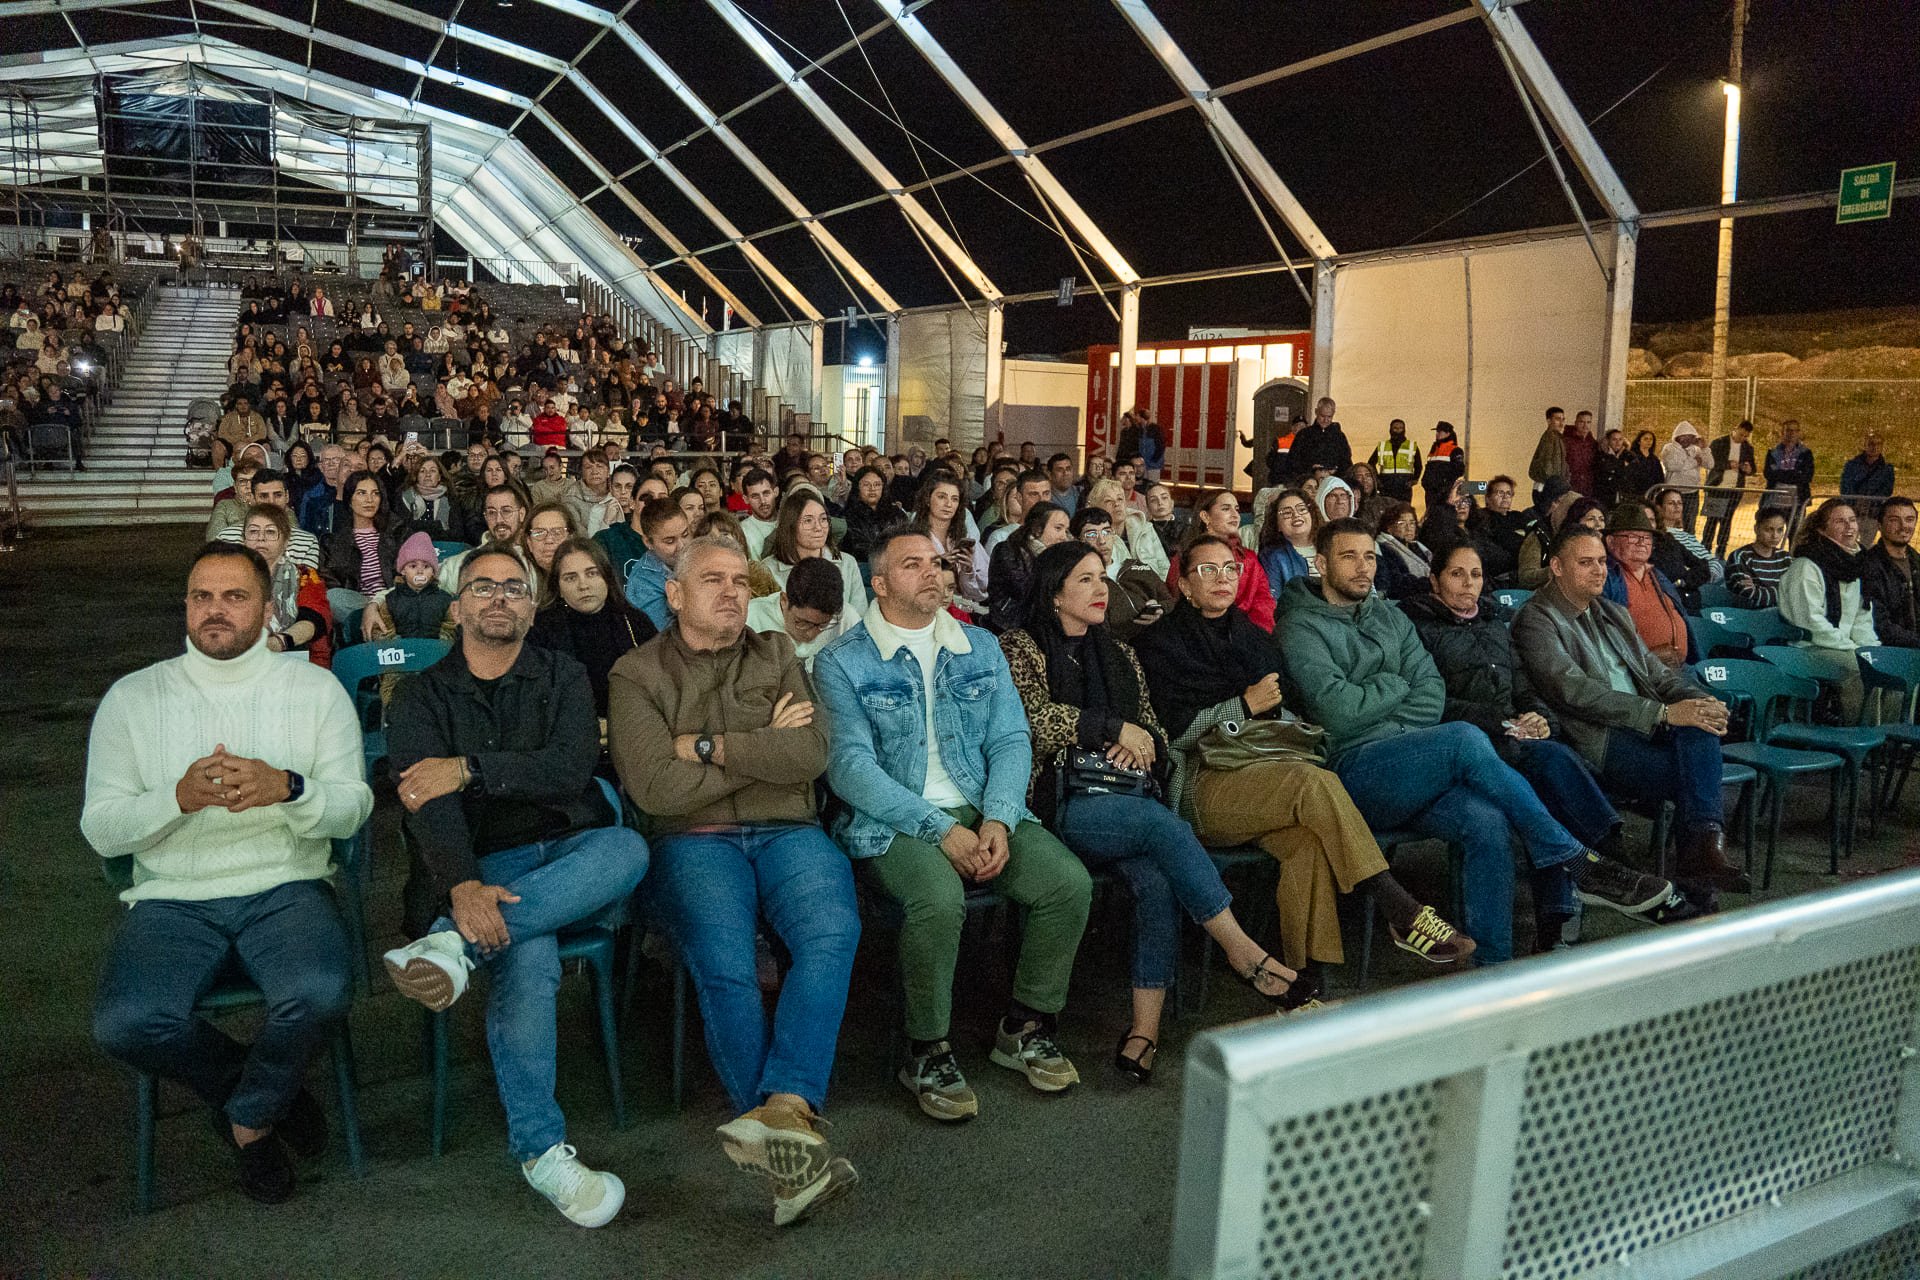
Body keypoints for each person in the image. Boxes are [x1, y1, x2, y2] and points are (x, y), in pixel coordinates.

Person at [83, 543, 373, 1204]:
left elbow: (353, 808)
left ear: (268, 607)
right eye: (202, 597)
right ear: (186, 605)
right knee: (124, 1022)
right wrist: (176, 799)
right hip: (171, 896)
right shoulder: (134, 697)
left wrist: (288, 788)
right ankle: (265, 1096)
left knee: (322, 990)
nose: (216, 611)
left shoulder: (312, 689)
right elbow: (101, 827)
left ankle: (246, 1117)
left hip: (286, 882)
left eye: (234, 596)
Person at [382, 542, 649, 1228]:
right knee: (527, 958)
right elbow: (426, 803)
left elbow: (567, 771)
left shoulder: (562, 675)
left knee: (628, 848)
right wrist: (466, 887)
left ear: (532, 607)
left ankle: (451, 949)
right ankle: (542, 1152)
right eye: (482, 587)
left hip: (571, 852)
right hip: (480, 863)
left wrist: (470, 769)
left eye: (513, 587)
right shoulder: (419, 695)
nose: (499, 598)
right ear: (458, 605)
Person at [1275, 520, 1677, 964]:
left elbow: (1430, 694)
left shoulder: (1388, 615)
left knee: (1486, 821)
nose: (1363, 567)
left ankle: (1492, 965)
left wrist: (1386, 698)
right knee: (1464, 738)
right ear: (1321, 563)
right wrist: (1395, 685)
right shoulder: (1299, 625)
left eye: (1370, 556)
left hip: (1419, 755)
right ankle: (1575, 861)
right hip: (1354, 771)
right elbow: (1339, 712)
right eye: (1349, 557)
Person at [608, 536, 860, 1224]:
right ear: (674, 593)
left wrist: (706, 747)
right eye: (712, 580)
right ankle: (789, 1144)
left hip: (788, 831)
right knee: (725, 965)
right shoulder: (636, 674)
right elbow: (657, 788)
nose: (731, 592)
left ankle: (781, 1111)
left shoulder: (776, 653)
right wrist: (761, 747)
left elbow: (808, 753)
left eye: (740, 583)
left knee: (832, 931)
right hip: (695, 841)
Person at [812, 529, 1094, 1122]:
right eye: (913, 565)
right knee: (939, 901)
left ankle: (1023, 1025)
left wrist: (998, 816)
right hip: (894, 815)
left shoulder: (979, 646)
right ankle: (926, 1049)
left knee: (1067, 883)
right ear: (880, 585)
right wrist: (939, 828)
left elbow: (1011, 738)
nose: (933, 574)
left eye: (938, 563)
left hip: (980, 802)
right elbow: (850, 768)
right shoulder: (842, 661)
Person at [1005, 543, 1316, 1076]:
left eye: (1102, 578)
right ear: (1055, 594)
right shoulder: (1021, 647)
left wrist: (1139, 739)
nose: (1102, 589)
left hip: (1126, 795)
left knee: (1156, 880)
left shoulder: (1121, 655)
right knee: (1162, 826)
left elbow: (1157, 729)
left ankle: (1143, 1030)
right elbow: (1029, 720)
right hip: (1064, 802)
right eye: (1085, 581)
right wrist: (1109, 729)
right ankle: (1246, 956)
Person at [1134, 532, 1473, 993]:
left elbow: (1291, 711)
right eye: (1207, 571)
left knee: (1306, 844)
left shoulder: (1255, 639)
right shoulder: (1159, 645)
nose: (1221, 578)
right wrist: (1243, 707)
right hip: (1204, 781)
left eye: (1230, 569)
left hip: (1268, 768)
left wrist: (1273, 714)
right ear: (1185, 586)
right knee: (1311, 782)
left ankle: (1306, 982)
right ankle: (1399, 908)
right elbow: (1168, 734)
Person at [1403, 542, 1639, 946]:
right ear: (1435, 580)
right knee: (1551, 765)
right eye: (1456, 574)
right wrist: (1502, 722)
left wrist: (1538, 717)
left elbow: (1524, 686)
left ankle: (1558, 918)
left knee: (1545, 784)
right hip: (1470, 743)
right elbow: (1431, 701)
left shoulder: (1496, 623)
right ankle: (1602, 855)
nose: (1468, 584)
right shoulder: (1419, 629)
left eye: (1475, 575)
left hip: (1518, 736)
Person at [1515, 527, 1745, 891]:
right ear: (1556, 567)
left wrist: (1698, 700)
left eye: (1602, 562)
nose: (1599, 570)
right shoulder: (1537, 619)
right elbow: (1572, 691)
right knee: (1696, 775)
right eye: (1585, 563)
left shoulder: (1612, 613)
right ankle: (1700, 861)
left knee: (1700, 726)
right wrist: (1664, 714)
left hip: (1648, 727)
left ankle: (1701, 855)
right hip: (1600, 739)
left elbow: (1657, 674)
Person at [527, 536, 657, 722]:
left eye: (592, 573)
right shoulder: (541, 631)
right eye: (571, 578)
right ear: (559, 587)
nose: (583, 585)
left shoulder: (635, 623)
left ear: (607, 576)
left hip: (633, 724)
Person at [1779, 499, 1880, 722]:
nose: (1850, 527)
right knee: (1857, 671)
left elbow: (1861, 617)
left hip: (1842, 646)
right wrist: (1852, 650)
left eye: (1852, 520)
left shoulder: (1856, 565)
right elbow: (1810, 622)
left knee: (1886, 668)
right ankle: (1861, 739)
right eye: (1840, 522)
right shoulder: (1806, 566)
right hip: (1809, 648)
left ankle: (1890, 741)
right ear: (1822, 529)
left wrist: (1871, 649)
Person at [758, 492, 868, 642]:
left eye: (823, 519)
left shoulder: (847, 563)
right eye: (808, 521)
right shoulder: (768, 569)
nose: (818, 528)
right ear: (791, 525)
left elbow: (859, 616)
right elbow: (767, 620)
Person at [1602, 504, 1695, 668]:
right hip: (1638, 674)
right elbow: (1602, 638)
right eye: (1632, 536)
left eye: (1647, 538)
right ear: (1610, 542)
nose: (1642, 543)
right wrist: (1648, 659)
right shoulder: (1605, 578)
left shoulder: (1657, 575)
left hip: (1681, 669)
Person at [241, 505, 334, 666]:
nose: (260, 538)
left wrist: (277, 643)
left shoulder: (305, 576)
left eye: (270, 532)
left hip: (300, 663)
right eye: (253, 532)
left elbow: (313, 621)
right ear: (244, 540)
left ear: (285, 540)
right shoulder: (229, 580)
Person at [1169, 489, 1274, 632]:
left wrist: (1252, 634)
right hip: (1193, 631)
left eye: (1237, 509)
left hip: (1244, 632)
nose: (1235, 515)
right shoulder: (1185, 555)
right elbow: (1172, 598)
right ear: (1205, 516)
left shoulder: (1249, 558)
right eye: (1226, 508)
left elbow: (1263, 601)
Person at [746, 555, 845, 672]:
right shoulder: (749, 618)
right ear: (784, 600)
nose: (811, 634)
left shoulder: (844, 618)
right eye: (802, 622)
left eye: (823, 625)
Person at [985, 500, 1069, 634]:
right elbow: (1027, 591)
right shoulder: (1007, 551)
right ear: (1037, 529)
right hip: (1008, 628)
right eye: (1058, 528)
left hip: (1042, 628)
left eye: (1066, 530)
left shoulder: (1058, 557)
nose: (1064, 537)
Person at [215, 468, 323, 569]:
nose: (271, 502)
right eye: (264, 496)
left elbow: (307, 585)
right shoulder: (226, 538)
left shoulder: (306, 542)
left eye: (278, 495)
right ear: (252, 498)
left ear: (287, 496)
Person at [321, 470, 398, 605]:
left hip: (393, 602)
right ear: (350, 500)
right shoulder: (333, 543)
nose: (369, 499)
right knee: (333, 597)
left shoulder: (397, 533)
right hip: (357, 605)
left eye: (375, 493)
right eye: (361, 493)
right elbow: (333, 586)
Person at [363, 533, 453, 643]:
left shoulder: (444, 599)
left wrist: (443, 640)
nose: (420, 571)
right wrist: (394, 642)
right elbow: (382, 629)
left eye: (426, 566)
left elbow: (452, 626)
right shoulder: (391, 599)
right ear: (403, 571)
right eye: (413, 566)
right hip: (403, 655)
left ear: (433, 572)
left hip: (435, 654)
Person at [621, 497, 688, 631]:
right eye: (670, 541)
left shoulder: (695, 556)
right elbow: (667, 636)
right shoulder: (642, 583)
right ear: (648, 542)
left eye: (685, 535)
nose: (682, 546)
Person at [1861, 497, 1919, 649]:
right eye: (1894, 520)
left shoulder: (1916, 562)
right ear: (1879, 525)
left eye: (1909, 519)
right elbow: (1879, 623)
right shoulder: (1869, 565)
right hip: (1889, 651)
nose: (1904, 526)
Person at [1651, 485, 1720, 610]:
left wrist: (1704, 573)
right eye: (1671, 503)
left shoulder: (1687, 536)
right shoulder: (1663, 537)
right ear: (1659, 508)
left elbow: (1712, 564)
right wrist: (1689, 578)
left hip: (1701, 582)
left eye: (1680, 503)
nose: (1677, 507)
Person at [1702, 419, 1756, 558]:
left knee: (1726, 521)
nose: (1742, 438)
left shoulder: (1748, 448)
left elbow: (1753, 467)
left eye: (1745, 436)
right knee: (1712, 520)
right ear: (1736, 428)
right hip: (1717, 487)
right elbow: (1711, 463)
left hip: (1734, 489)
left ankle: (1721, 550)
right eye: (1741, 435)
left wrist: (1748, 469)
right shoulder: (1719, 443)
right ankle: (1705, 549)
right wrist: (1728, 464)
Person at [1256, 486, 1320, 599]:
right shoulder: (1272, 557)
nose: (1296, 515)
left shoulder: (1331, 547)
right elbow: (1272, 603)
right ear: (1277, 524)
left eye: (1302, 509)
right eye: (1287, 513)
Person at [1727, 506, 1795, 609]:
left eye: (1780, 530)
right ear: (1756, 529)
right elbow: (1748, 596)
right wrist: (1784, 592)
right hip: (1749, 616)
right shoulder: (1741, 557)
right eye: (1769, 530)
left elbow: (1797, 592)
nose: (1775, 536)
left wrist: (1759, 590)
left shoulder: (1786, 558)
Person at [1373, 503, 1433, 601]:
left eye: (1412, 523)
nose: (1408, 528)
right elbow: (1398, 582)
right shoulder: (1384, 548)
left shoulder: (1418, 547)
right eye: (1402, 523)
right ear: (1389, 527)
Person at [1658, 421, 1709, 534]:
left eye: (1690, 436)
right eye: (1683, 436)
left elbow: (1710, 464)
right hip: (1673, 493)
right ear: (1677, 436)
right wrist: (1695, 462)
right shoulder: (1669, 448)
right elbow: (1673, 466)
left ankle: (1687, 549)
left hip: (1692, 493)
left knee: (1690, 525)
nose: (1686, 439)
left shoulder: (1696, 449)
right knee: (1670, 523)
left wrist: (1705, 448)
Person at [1764, 420, 1817, 525]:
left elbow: (1807, 476)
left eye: (1795, 430)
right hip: (1774, 500)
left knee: (1795, 534)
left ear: (1799, 432)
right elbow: (1768, 474)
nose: (1792, 433)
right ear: (1782, 432)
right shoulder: (1773, 452)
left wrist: (1781, 474)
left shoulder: (1806, 453)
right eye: (1788, 430)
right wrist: (1794, 474)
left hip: (1797, 501)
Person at [1841, 433, 1896, 525]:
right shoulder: (1851, 465)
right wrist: (1854, 502)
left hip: (1873, 513)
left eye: (1878, 444)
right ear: (1864, 445)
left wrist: (1871, 503)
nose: (1874, 447)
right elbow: (1845, 486)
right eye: (1871, 444)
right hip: (1852, 510)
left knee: (1867, 538)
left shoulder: (1887, 469)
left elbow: (1887, 490)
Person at [1291, 398, 1352, 478]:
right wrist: (1311, 469)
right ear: (1316, 412)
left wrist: (1335, 471)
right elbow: (1293, 461)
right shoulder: (1304, 435)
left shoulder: (1339, 436)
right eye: (1322, 416)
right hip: (1309, 481)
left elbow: (1346, 462)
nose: (1326, 420)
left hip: (1333, 481)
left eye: (1329, 417)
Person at [1369, 420, 1420, 502]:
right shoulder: (1382, 446)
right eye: (1395, 428)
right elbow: (1371, 463)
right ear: (1390, 429)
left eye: (1400, 428)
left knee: (1404, 511)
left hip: (1404, 486)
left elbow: (1418, 465)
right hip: (1386, 485)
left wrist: (1414, 480)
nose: (1398, 431)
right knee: (1387, 511)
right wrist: (1377, 480)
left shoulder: (1411, 446)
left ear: (1404, 429)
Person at [1528, 407, 1570, 500]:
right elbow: (1547, 464)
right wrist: (1555, 485)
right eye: (1557, 419)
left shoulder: (1556, 437)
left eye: (1563, 419)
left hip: (1549, 486)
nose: (1561, 423)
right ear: (1549, 421)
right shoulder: (1550, 438)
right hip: (1547, 488)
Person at [738, 468, 780, 558]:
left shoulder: (789, 521)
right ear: (745, 499)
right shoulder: (742, 531)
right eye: (755, 496)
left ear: (776, 492)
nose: (763, 501)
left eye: (766, 493)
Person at [1562, 410, 1600, 499]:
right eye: (1582, 422)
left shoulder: (1593, 443)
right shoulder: (1566, 441)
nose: (1585, 425)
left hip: (1588, 488)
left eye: (1588, 422)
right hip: (1570, 486)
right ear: (1576, 423)